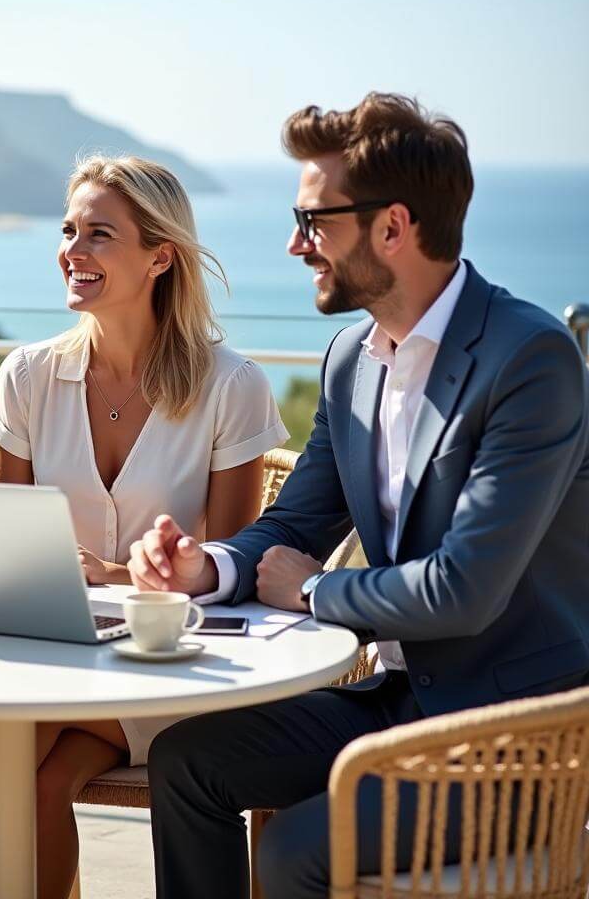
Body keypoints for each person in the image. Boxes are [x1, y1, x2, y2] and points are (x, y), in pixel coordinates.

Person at [129, 93, 589, 899]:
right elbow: (296, 520)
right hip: (400, 699)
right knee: (186, 761)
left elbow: (465, 590)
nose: (295, 243)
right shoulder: (352, 360)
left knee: (296, 852)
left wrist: (311, 590)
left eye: (314, 222)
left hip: (522, 737)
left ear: (391, 227)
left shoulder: (531, 359)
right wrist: (206, 569)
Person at [0, 155, 289, 899]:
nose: (72, 252)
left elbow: (233, 570)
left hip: (172, 664)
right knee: (30, 775)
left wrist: (109, 577)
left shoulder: (230, 386)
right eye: (69, 230)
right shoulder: (28, 375)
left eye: (99, 235)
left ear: (160, 256)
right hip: (57, 658)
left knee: (6, 747)